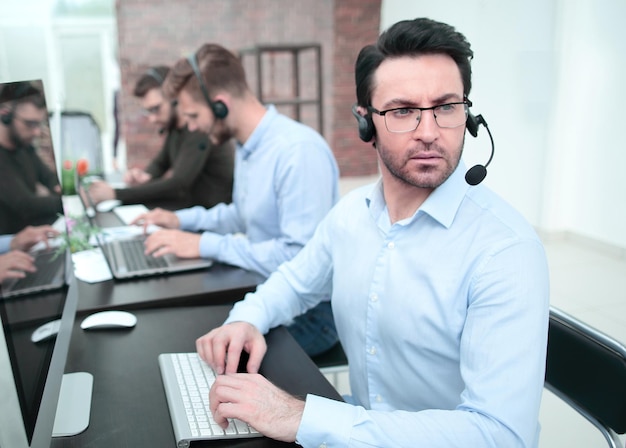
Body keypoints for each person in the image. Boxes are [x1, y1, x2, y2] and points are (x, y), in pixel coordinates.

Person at [196, 17, 550, 447]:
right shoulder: (352, 215)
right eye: (402, 111)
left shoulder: (505, 251)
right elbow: (294, 281)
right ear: (366, 122)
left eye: (446, 107)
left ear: (468, 114)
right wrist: (247, 318)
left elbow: (499, 435)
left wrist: (302, 417)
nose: (429, 131)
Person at [134, 43, 340, 357]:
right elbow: (241, 215)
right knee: (178, 335)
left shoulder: (298, 153)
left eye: (193, 115)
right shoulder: (247, 146)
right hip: (264, 293)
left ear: (220, 105)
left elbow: (299, 258)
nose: (190, 127)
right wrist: (180, 221)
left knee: (209, 360)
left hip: (311, 314)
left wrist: (205, 244)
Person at [84, 66, 235, 210]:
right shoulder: (175, 129)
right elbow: (161, 163)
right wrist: (144, 176)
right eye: (148, 111)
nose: (152, 118)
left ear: (174, 98)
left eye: (156, 109)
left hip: (212, 217)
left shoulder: (198, 129)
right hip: (192, 210)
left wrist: (115, 194)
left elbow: (178, 184)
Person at [0, 81, 63, 235]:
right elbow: (26, 205)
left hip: (34, 237)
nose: (36, 132)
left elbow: (50, 179)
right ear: (5, 115)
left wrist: (59, 189)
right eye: (30, 124)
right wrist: (68, 201)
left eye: (39, 124)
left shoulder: (24, 149)